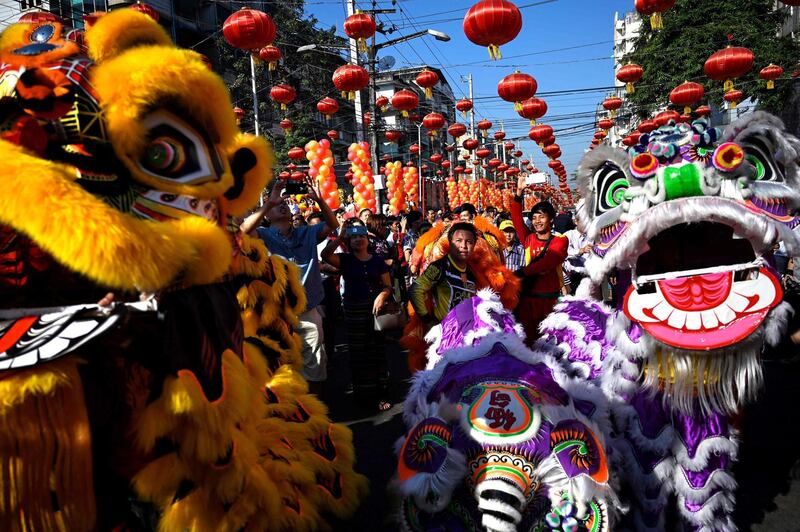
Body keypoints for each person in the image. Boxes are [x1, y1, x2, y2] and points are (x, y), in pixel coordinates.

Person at [241, 176, 338, 394]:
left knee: (315, 365)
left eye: (285, 204)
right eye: (279, 205)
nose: (283, 206)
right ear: (268, 215)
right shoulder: (263, 235)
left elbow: (333, 225)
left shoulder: (308, 232)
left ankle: (316, 413)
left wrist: (321, 201)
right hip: (277, 314)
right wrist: (270, 203)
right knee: (282, 368)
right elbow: (242, 231)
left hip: (308, 313)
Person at [321, 222, 393, 411]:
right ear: (349, 241)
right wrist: (340, 238)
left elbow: (388, 285)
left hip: (375, 310)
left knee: (376, 350)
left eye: (361, 236)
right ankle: (362, 393)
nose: (358, 240)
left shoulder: (377, 260)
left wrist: (382, 296)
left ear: (368, 239)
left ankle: (381, 393)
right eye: (353, 237)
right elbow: (324, 256)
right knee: (358, 351)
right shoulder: (344, 259)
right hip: (353, 310)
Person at [512, 175, 568, 343]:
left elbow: (548, 261)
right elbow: (515, 219)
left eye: (541, 217)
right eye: (534, 217)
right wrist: (519, 192)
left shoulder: (561, 241)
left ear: (551, 219)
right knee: (528, 342)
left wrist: (522, 272)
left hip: (550, 301)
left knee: (552, 344)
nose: (537, 221)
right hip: (529, 300)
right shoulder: (528, 239)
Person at [409, 222, 478, 326]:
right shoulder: (439, 267)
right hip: (446, 334)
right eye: (458, 241)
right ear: (450, 243)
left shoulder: (473, 271)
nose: (463, 246)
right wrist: (428, 321)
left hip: (467, 333)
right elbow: (415, 289)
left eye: (469, 242)